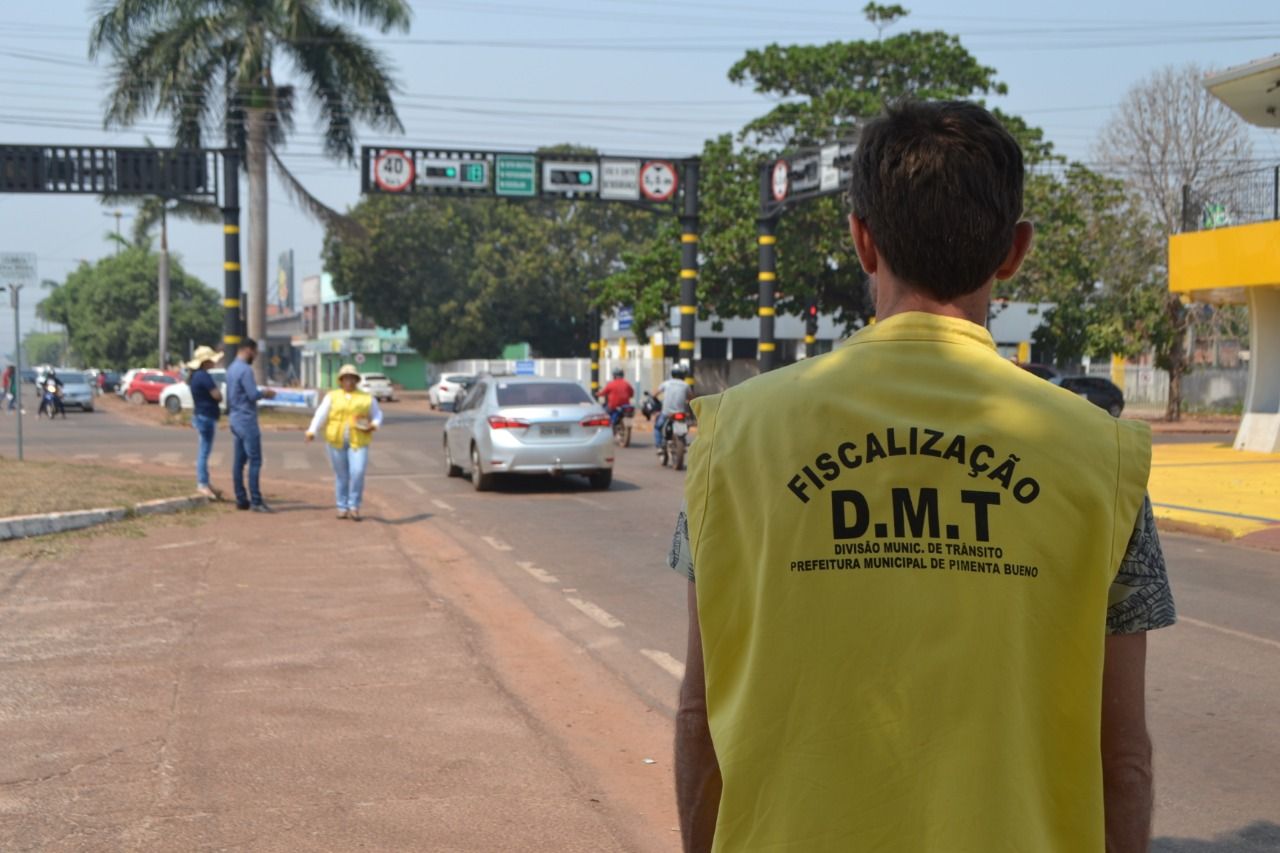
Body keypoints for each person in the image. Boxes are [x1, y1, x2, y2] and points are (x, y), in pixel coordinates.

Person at [670, 101, 1175, 853]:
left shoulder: (732, 437)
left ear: (862, 240)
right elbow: (1123, 758)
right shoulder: (1102, 458)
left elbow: (698, 718)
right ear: (1014, 250)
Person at [305, 363, 383, 521]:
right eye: (346, 378)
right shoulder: (332, 396)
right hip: (336, 440)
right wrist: (312, 430)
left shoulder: (366, 398)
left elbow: (377, 414)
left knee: (358, 472)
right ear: (340, 380)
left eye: (352, 378)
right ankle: (342, 506)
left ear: (356, 380)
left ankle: (354, 506)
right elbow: (321, 414)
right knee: (342, 475)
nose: (349, 381)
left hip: (359, 441)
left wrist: (374, 424)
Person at [225, 338, 276, 512]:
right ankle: (256, 500)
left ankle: (241, 498)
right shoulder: (246, 370)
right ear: (248, 350)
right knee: (255, 460)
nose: (255, 357)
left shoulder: (231, 368)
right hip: (246, 419)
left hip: (235, 418)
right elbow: (252, 394)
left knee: (239, 462)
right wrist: (266, 393)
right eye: (254, 353)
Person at [187, 345, 224, 500]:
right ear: (205, 362)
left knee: (204, 451)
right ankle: (202, 483)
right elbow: (217, 395)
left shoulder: (196, 376)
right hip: (206, 416)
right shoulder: (204, 376)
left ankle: (205, 482)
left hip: (201, 415)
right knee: (204, 452)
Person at [653, 366, 691, 449]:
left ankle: (659, 446)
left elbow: (655, 394)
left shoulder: (666, 383)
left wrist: (655, 399)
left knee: (657, 427)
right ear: (683, 375)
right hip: (681, 413)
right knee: (687, 423)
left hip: (666, 413)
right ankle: (683, 438)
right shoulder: (686, 385)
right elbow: (691, 399)